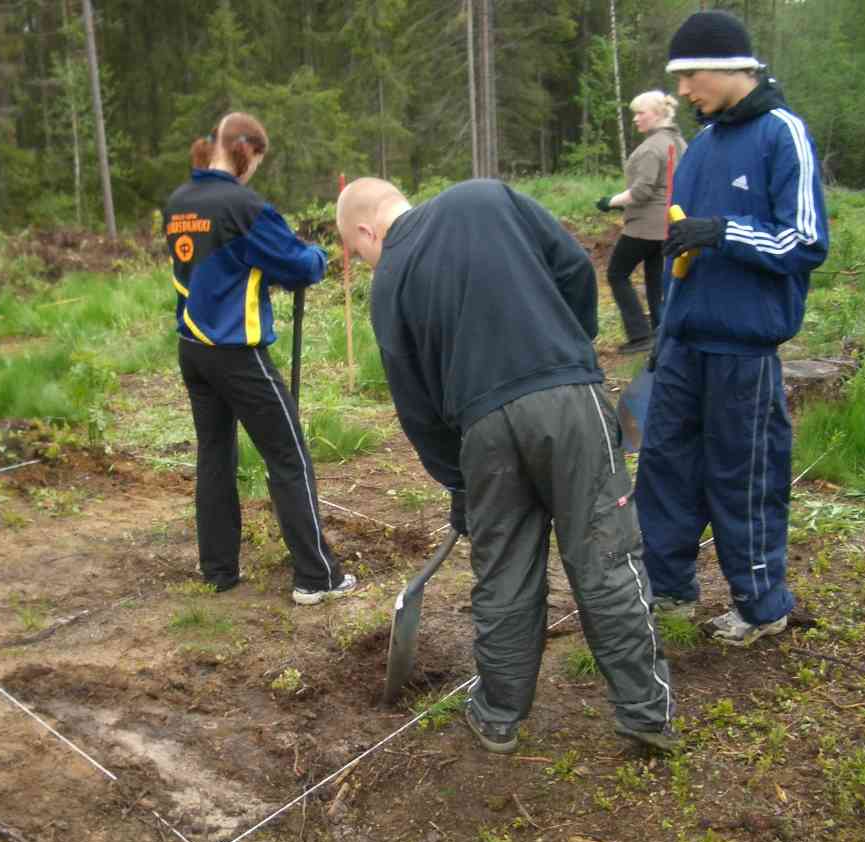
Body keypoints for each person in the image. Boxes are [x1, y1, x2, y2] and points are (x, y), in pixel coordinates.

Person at [337, 177, 674, 754]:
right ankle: (645, 714)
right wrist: (569, 343)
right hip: (570, 404)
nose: (366, 260)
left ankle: (498, 717)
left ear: (366, 230)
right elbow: (573, 268)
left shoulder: (389, 281)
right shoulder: (484, 198)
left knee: (504, 575)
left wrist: (459, 483)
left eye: (355, 249)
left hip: (482, 431)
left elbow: (416, 408)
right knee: (606, 557)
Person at [635, 11, 828, 646]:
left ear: (728, 68)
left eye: (690, 76)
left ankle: (761, 605)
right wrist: (664, 334)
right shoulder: (702, 147)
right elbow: (682, 251)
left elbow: (805, 241)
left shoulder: (782, 134)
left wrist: (723, 232)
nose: (683, 91)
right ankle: (667, 589)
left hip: (742, 349)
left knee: (742, 476)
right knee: (663, 467)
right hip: (683, 343)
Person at [163, 112, 355, 605]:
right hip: (236, 352)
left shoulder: (179, 202)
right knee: (288, 455)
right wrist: (317, 257)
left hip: (193, 349)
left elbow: (222, 264)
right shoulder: (243, 206)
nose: (253, 173)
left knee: (214, 455)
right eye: (256, 162)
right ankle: (317, 577)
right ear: (245, 150)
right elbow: (298, 266)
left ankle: (218, 570)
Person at [596, 90, 687, 353]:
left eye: (640, 113)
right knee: (656, 280)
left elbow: (642, 191)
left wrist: (610, 201)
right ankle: (661, 334)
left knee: (617, 273)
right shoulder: (678, 142)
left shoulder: (651, 148)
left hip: (645, 226)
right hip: (671, 223)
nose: (635, 119)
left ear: (657, 114)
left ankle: (639, 335)